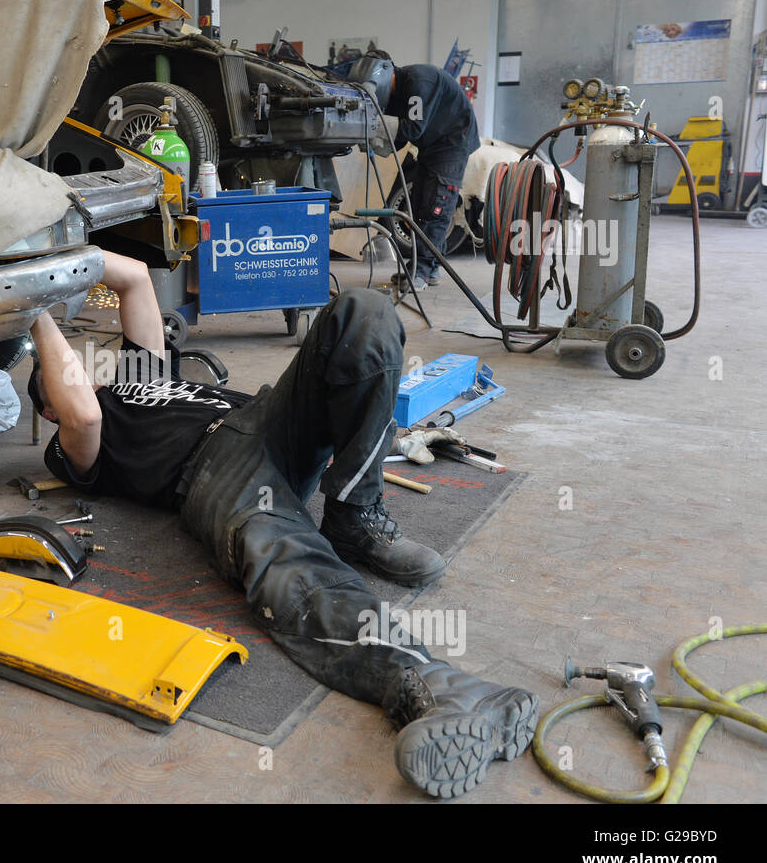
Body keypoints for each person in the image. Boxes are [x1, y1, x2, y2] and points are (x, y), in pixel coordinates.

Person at [27, 250, 538, 799]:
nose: (85, 364)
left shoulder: (141, 371)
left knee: (360, 313)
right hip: (215, 475)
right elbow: (82, 411)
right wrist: (31, 306)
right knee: (293, 572)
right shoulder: (72, 444)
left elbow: (130, 278)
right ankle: (439, 686)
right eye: (66, 371)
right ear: (48, 406)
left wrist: (40, 260)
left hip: (266, 423)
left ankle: (353, 514)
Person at [349, 50, 480, 293]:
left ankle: (420, 270)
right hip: (432, 145)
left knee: (435, 206)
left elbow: (412, 129)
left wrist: (372, 128)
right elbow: (399, 139)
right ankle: (430, 269)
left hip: (452, 142)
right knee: (420, 203)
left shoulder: (418, 82)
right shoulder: (397, 92)